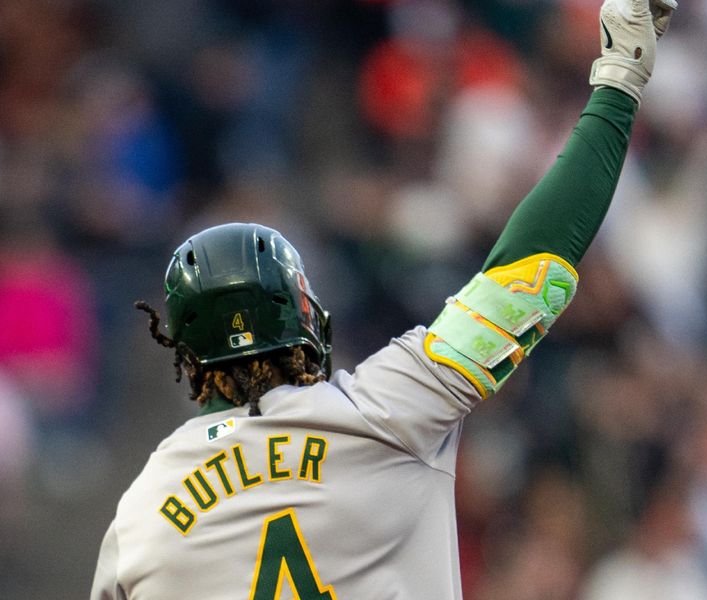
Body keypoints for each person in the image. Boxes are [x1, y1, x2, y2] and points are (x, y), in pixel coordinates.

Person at [91, 0, 677, 597]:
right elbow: (530, 273)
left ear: (184, 351)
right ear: (303, 320)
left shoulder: (140, 516)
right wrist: (618, 81)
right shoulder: (379, 412)